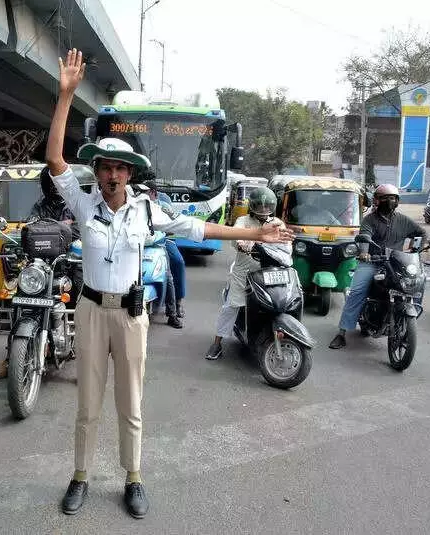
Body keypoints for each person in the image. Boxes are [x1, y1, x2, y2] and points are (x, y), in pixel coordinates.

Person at [48, 48, 293, 520]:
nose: (112, 174)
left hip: (132, 315)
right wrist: (65, 96)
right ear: (97, 172)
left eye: (120, 168)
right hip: (91, 311)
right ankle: (80, 476)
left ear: (130, 174)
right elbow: (56, 158)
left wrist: (254, 232)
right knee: (86, 405)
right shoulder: (82, 206)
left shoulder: (146, 211)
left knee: (131, 404)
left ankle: (133, 478)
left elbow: (198, 229)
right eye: (105, 167)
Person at [0, 167, 82, 380]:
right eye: (49, 183)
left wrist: (63, 231)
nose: (53, 187)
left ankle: (83, 358)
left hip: (66, 262)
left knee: (82, 299)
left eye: (55, 183)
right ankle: (11, 357)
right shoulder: (39, 206)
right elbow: (30, 229)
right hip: (42, 265)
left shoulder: (74, 206)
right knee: (19, 300)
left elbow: (80, 229)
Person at [329, 184, 426, 349]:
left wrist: (416, 249)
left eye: (393, 198)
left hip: (396, 263)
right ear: (377, 200)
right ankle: (342, 332)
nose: (390, 201)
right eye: (385, 198)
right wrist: (364, 252)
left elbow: (421, 233)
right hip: (372, 262)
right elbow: (365, 235)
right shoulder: (370, 220)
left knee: (418, 282)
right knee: (357, 291)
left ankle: (409, 316)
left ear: (397, 201)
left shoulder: (403, 220)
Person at [205, 187, 288, 360]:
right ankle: (217, 343)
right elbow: (236, 235)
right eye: (260, 206)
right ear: (253, 206)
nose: (264, 210)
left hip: (268, 272)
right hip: (244, 273)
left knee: (281, 302)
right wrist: (242, 243)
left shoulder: (277, 223)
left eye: (267, 207)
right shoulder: (243, 220)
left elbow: (286, 244)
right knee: (231, 306)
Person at [143, 180, 186, 328]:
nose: (142, 195)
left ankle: (173, 311)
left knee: (171, 271)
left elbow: (177, 222)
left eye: (146, 192)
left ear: (153, 193)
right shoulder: (136, 206)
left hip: (161, 242)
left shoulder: (164, 207)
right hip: (139, 244)